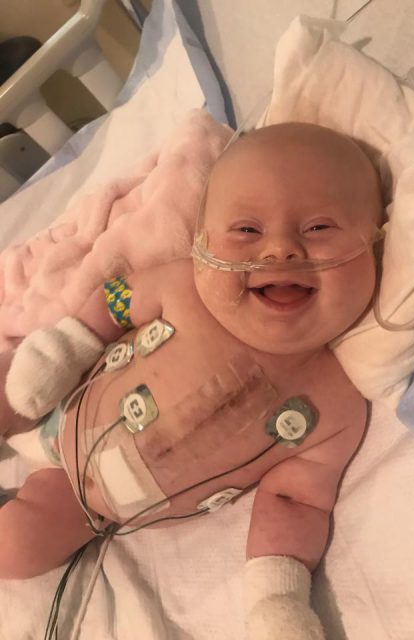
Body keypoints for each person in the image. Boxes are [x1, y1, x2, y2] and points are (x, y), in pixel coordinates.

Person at [0, 122, 383, 639]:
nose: (280, 250)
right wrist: (62, 347)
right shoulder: (181, 287)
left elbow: (296, 502)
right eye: (247, 230)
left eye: (319, 228)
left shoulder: (336, 406)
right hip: (66, 390)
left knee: (17, 551)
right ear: (203, 244)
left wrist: (278, 595)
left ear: (375, 249)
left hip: (88, 502)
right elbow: (116, 299)